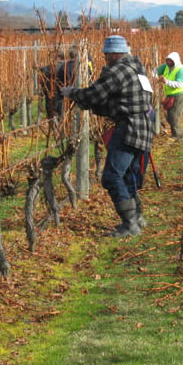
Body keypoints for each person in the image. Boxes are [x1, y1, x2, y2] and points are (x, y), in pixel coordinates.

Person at [60, 35, 153, 237]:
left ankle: (130, 224)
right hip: (143, 127)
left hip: (129, 128)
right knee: (127, 174)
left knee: (111, 177)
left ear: (113, 54)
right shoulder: (137, 68)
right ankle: (137, 217)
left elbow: (96, 93)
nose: (104, 58)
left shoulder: (119, 70)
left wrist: (72, 93)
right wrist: (89, 104)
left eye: (106, 55)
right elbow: (114, 99)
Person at [156, 52, 183, 141]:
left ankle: (177, 135)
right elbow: (154, 71)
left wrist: (166, 81)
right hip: (170, 94)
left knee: (174, 115)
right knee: (169, 115)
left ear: (175, 61)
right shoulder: (165, 66)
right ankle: (176, 133)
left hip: (180, 94)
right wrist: (156, 78)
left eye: (171, 61)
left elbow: (178, 84)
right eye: (167, 60)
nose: (168, 62)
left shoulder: (181, 69)